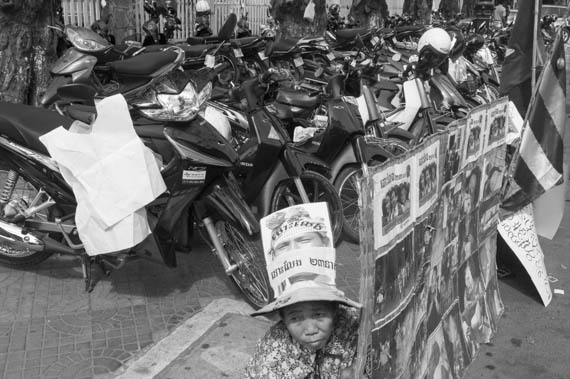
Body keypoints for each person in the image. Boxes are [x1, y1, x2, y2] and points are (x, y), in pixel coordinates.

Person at [246, 205, 362, 379]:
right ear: (282, 319)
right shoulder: (273, 355)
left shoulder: (353, 324)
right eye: (295, 318)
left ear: (336, 310)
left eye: (318, 314)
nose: (310, 330)